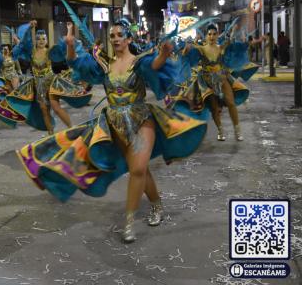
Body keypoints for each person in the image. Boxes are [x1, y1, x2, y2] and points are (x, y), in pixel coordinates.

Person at [16, 20, 206, 243]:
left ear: (128, 39)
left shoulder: (139, 62)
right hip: (114, 123)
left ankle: (129, 221)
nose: (115, 38)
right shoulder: (104, 65)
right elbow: (75, 63)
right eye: (112, 35)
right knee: (140, 170)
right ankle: (156, 204)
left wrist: (164, 54)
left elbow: (155, 65)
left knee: (136, 170)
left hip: (141, 119)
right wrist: (69, 43)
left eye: (119, 35)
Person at [0, 20, 91, 134]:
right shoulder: (32, 52)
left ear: (47, 40)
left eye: (43, 39)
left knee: (56, 107)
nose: (41, 41)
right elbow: (25, 41)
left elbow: (66, 48)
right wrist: (30, 27)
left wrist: (69, 30)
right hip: (38, 85)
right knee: (44, 110)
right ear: (35, 40)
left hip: (51, 82)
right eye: (39, 39)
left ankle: (72, 128)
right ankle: (51, 134)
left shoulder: (50, 51)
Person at [173, 24, 260, 141]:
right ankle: (220, 130)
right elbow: (186, 56)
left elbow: (235, 47)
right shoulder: (201, 49)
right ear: (206, 36)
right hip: (207, 81)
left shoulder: (221, 48)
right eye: (209, 34)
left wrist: (245, 41)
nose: (212, 36)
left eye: (214, 34)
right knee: (214, 108)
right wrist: (186, 49)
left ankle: (237, 130)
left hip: (222, 78)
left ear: (218, 35)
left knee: (231, 103)